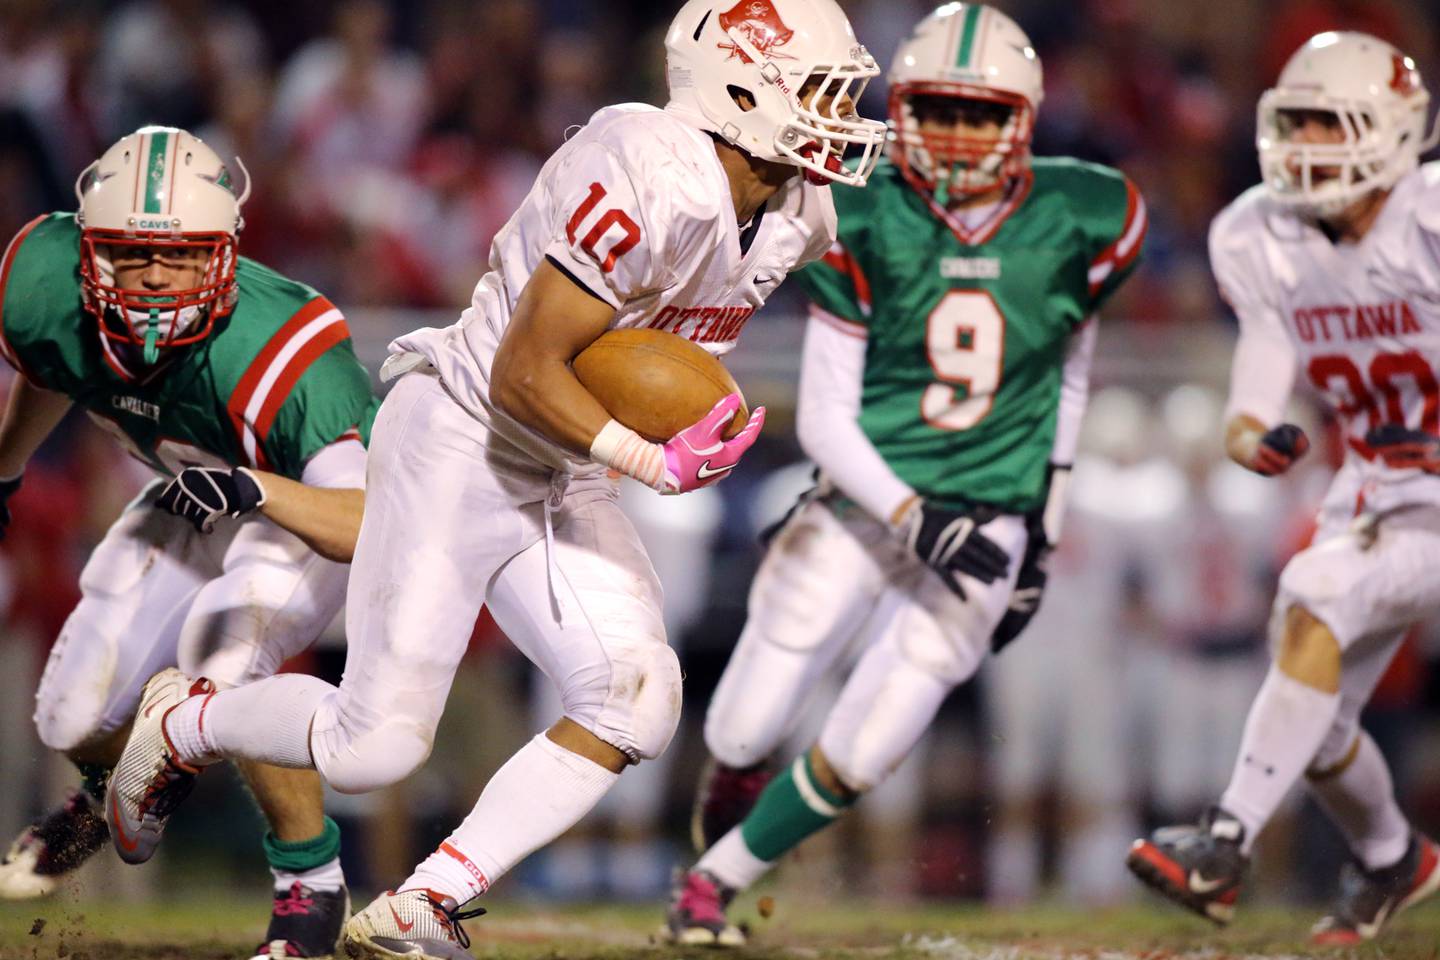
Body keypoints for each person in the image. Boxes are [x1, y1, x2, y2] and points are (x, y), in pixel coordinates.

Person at [104, 3, 888, 958]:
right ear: (738, 88)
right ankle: (185, 724)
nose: (838, 111)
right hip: (466, 437)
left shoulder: (798, 212)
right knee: (374, 747)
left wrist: (648, 437)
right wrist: (647, 457)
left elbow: (639, 363)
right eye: (816, 89)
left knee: (636, 695)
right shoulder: (649, 168)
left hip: (561, 464)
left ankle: (425, 902)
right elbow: (526, 369)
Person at [668, 3, 1146, 944]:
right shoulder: (863, 205)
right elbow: (827, 417)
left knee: (885, 721)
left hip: (994, 507)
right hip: (862, 491)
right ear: (903, 105)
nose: (959, 134)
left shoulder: (1083, 212)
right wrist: (915, 515)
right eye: (938, 108)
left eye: (981, 114)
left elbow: (1069, 377)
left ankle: (712, 886)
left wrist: (1040, 523)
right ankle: (735, 774)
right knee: (745, 722)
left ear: (1025, 117)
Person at [0, 126, 378, 960]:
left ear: (227, 254)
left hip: (300, 512)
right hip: (188, 493)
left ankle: (307, 888)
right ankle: (107, 793)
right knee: (71, 712)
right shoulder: (41, 287)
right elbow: (49, 363)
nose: (157, 278)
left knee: (220, 663)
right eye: (132, 255)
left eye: (181, 257)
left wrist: (253, 489)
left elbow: (366, 524)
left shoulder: (284, 348)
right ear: (90, 252)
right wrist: (6, 466)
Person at [1126, 31, 1440, 945]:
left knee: (1311, 599)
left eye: (1329, 124)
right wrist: (1254, 440)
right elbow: (1249, 402)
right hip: (1382, 486)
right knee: (1313, 703)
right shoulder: (1257, 234)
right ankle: (1392, 858)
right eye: (1294, 123)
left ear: (1392, 133)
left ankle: (1223, 845)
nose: (1305, 146)